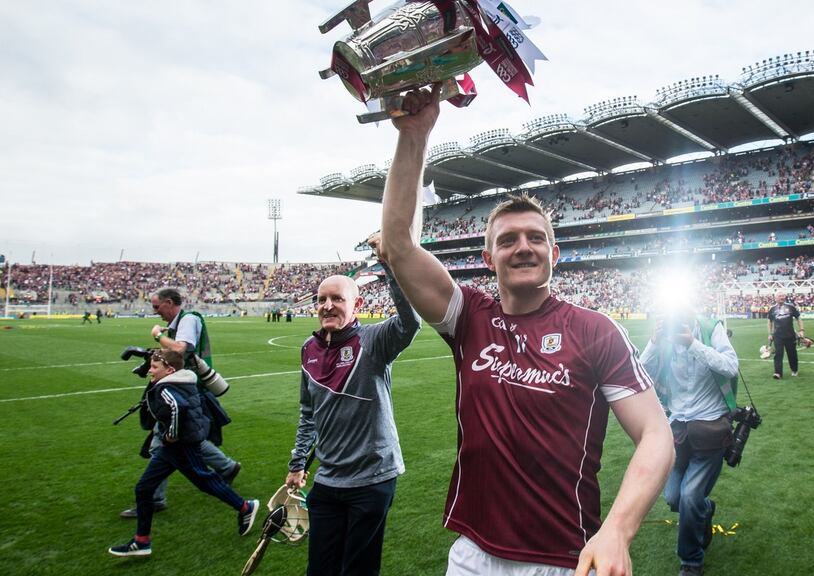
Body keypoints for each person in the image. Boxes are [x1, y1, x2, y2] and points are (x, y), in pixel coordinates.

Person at [379, 87, 673, 576]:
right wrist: (415, 135)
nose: (524, 247)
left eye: (537, 238)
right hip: (473, 554)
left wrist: (618, 528)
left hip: (562, 559)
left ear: (554, 254)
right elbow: (398, 246)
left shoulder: (595, 331)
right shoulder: (468, 316)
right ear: (487, 258)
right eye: (509, 240)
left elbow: (657, 433)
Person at [285, 234, 420, 576]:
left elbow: (410, 322)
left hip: (372, 479)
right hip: (328, 480)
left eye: (337, 299)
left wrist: (388, 263)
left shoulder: (373, 340)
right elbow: (308, 414)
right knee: (320, 570)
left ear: (356, 305)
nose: (327, 305)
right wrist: (298, 463)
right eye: (321, 299)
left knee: (357, 571)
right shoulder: (308, 349)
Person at [108, 348, 259, 557]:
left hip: (181, 445)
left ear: (169, 370)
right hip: (172, 448)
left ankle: (245, 507)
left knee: (205, 481)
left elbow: (178, 407)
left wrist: (171, 434)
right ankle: (141, 541)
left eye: (154, 367)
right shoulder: (176, 382)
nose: (150, 371)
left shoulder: (166, 388)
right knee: (145, 488)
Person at [120, 287, 241, 518]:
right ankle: (226, 467)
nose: (156, 312)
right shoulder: (178, 324)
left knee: (164, 441)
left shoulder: (189, 319)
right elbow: (173, 355)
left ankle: (154, 497)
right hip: (182, 386)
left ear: (168, 302)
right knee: (185, 439)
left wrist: (157, 335)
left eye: (157, 307)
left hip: (186, 389)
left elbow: (180, 349)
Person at [640, 312, 738, 576]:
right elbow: (638, 374)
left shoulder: (710, 328)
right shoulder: (663, 338)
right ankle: (705, 510)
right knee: (674, 497)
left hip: (710, 430)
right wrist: (653, 341)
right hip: (678, 430)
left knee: (690, 496)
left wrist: (693, 343)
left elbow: (731, 366)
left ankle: (691, 561)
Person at [767, 293, 804, 380]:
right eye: (780, 296)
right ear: (775, 298)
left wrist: (801, 330)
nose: (782, 297)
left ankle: (794, 370)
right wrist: (770, 333)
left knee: (792, 354)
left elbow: (798, 318)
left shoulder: (791, 307)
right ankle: (778, 373)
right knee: (778, 354)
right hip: (777, 336)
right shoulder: (772, 309)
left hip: (790, 335)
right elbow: (769, 321)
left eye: (783, 296)